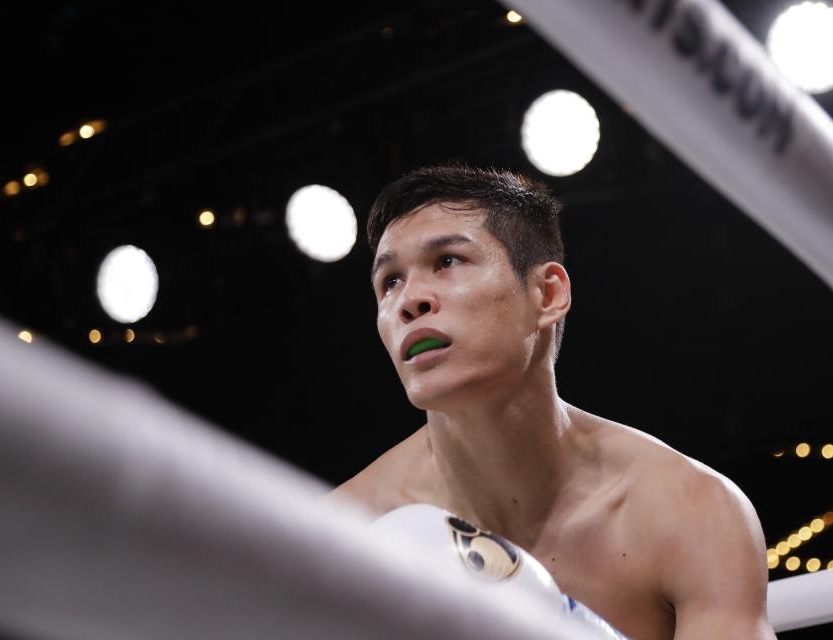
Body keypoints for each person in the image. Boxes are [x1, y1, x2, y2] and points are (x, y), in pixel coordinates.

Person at [330, 165, 776, 640]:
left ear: (547, 294)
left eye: (447, 262)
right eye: (390, 281)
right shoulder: (349, 529)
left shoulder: (687, 512)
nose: (409, 300)